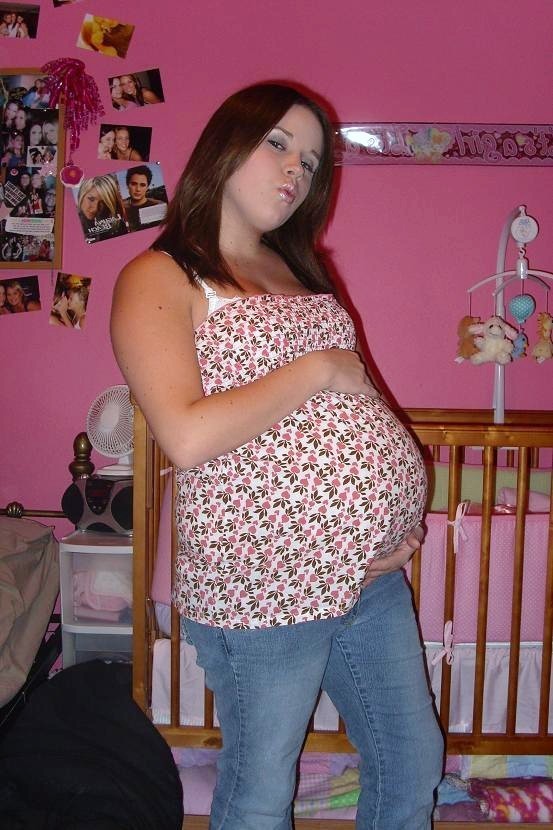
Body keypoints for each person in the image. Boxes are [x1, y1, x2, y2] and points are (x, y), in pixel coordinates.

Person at [111, 82, 443, 829]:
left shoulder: (301, 272)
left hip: (367, 578)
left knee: (411, 758)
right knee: (262, 788)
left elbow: (358, 403)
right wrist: (316, 368)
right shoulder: (160, 276)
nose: (297, 169)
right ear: (224, 147)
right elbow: (186, 434)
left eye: (313, 161)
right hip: (262, 581)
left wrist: (397, 518)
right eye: (278, 144)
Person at [76, 175, 128, 242]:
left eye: (103, 202)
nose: (95, 208)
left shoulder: (117, 226)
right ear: (81, 195)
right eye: (91, 199)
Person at [123, 165, 165, 231]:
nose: (138, 189)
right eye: (134, 184)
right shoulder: (122, 208)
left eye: (142, 185)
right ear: (127, 185)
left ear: (147, 187)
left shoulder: (159, 205)